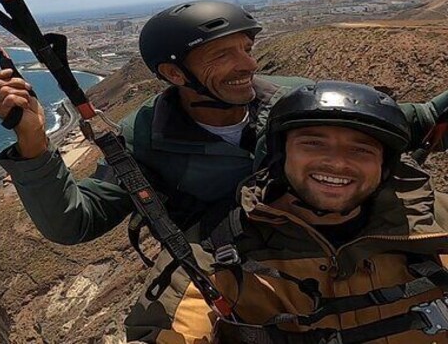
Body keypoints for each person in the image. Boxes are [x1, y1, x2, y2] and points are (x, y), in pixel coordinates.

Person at [0, 0, 448, 248]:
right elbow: (76, 225)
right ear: (173, 74)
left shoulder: (294, 98)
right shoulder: (146, 136)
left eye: (246, 48)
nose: (246, 64)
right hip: (240, 268)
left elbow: (422, 120)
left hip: (344, 241)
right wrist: (34, 146)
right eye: (223, 54)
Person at [124, 81, 448, 343]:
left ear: (384, 165)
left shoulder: (436, 225)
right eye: (313, 144)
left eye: (360, 149)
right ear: (281, 156)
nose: (336, 162)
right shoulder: (212, 252)